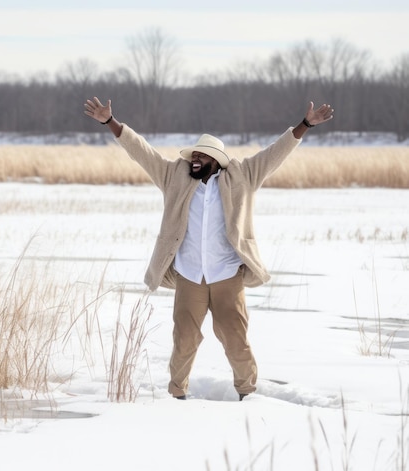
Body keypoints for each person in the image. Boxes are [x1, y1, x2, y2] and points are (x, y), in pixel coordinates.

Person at [83, 96, 334, 401]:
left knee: (236, 340)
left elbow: (274, 155)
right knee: (184, 341)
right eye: (194, 155)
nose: (195, 159)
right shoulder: (174, 176)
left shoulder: (242, 176)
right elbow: (142, 152)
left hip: (227, 274)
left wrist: (304, 125)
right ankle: (176, 395)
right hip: (190, 276)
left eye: (202, 156)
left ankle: (248, 394)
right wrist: (111, 122)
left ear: (216, 160)